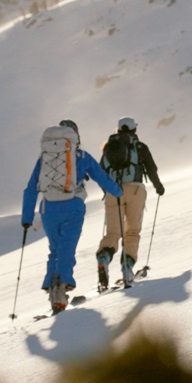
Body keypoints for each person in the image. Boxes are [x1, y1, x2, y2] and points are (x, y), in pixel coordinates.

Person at [22, 119, 122, 313]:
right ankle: (60, 291)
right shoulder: (81, 156)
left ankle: (52, 287)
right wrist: (118, 192)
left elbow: (31, 188)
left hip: (48, 209)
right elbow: (101, 177)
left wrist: (26, 218)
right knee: (67, 249)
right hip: (72, 207)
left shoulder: (44, 158)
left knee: (55, 249)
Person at [94, 116, 165, 289]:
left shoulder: (108, 148)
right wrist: (158, 186)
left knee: (113, 233)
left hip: (113, 192)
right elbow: (151, 168)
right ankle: (127, 268)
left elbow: (100, 173)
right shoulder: (140, 147)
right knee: (132, 231)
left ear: (118, 130)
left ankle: (104, 257)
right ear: (134, 129)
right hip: (135, 190)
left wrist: (107, 192)